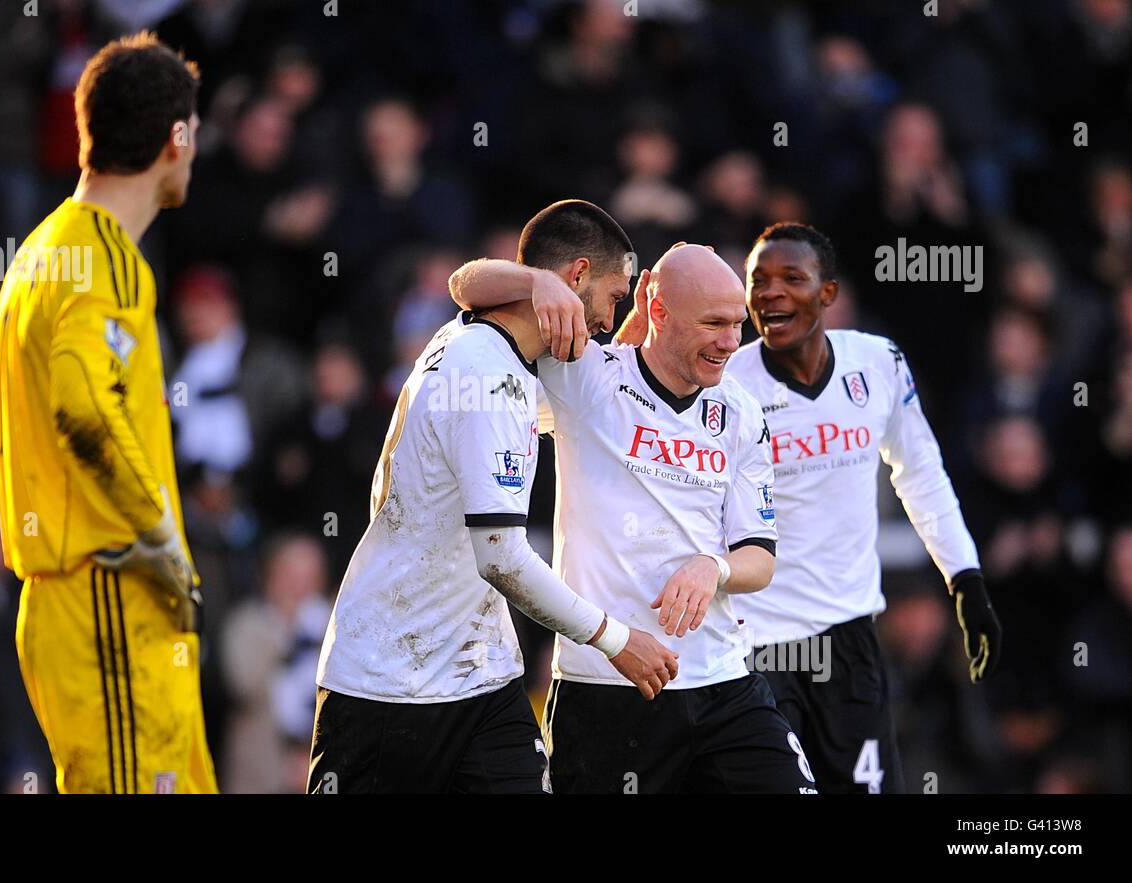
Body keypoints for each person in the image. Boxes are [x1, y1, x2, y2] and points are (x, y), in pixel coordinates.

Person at [309, 200, 677, 795]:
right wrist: (615, 639)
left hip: (484, 680)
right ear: (576, 277)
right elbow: (502, 557)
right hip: (392, 683)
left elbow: (470, 284)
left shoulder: (487, 340)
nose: (610, 322)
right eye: (613, 299)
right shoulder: (489, 378)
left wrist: (612, 320)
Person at [452, 242, 816, 794]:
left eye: (738, 323)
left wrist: (712, 568)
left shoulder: (740, 411)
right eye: (713, 323)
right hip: (605, 688)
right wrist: (537, 283)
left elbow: (760, 559)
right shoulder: (587, 376)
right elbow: (466, 286)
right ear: (660, 310)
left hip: (722, 682)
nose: (730, 342)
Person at [0, 32, 215, 794]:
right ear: (176, 139)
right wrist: (158, 538)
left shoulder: (38, 254)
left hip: (84, 599)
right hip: (109, 590)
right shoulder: (104, 258)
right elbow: (81, 406)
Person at [723, 222, 1002, 793]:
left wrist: (966, 579)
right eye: (759, 280)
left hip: (849, 639)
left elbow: (920, 472)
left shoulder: (878, 364)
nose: (771, 292)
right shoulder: (725, 383)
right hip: (755, 647)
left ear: (828, 293)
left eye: (791, 278)